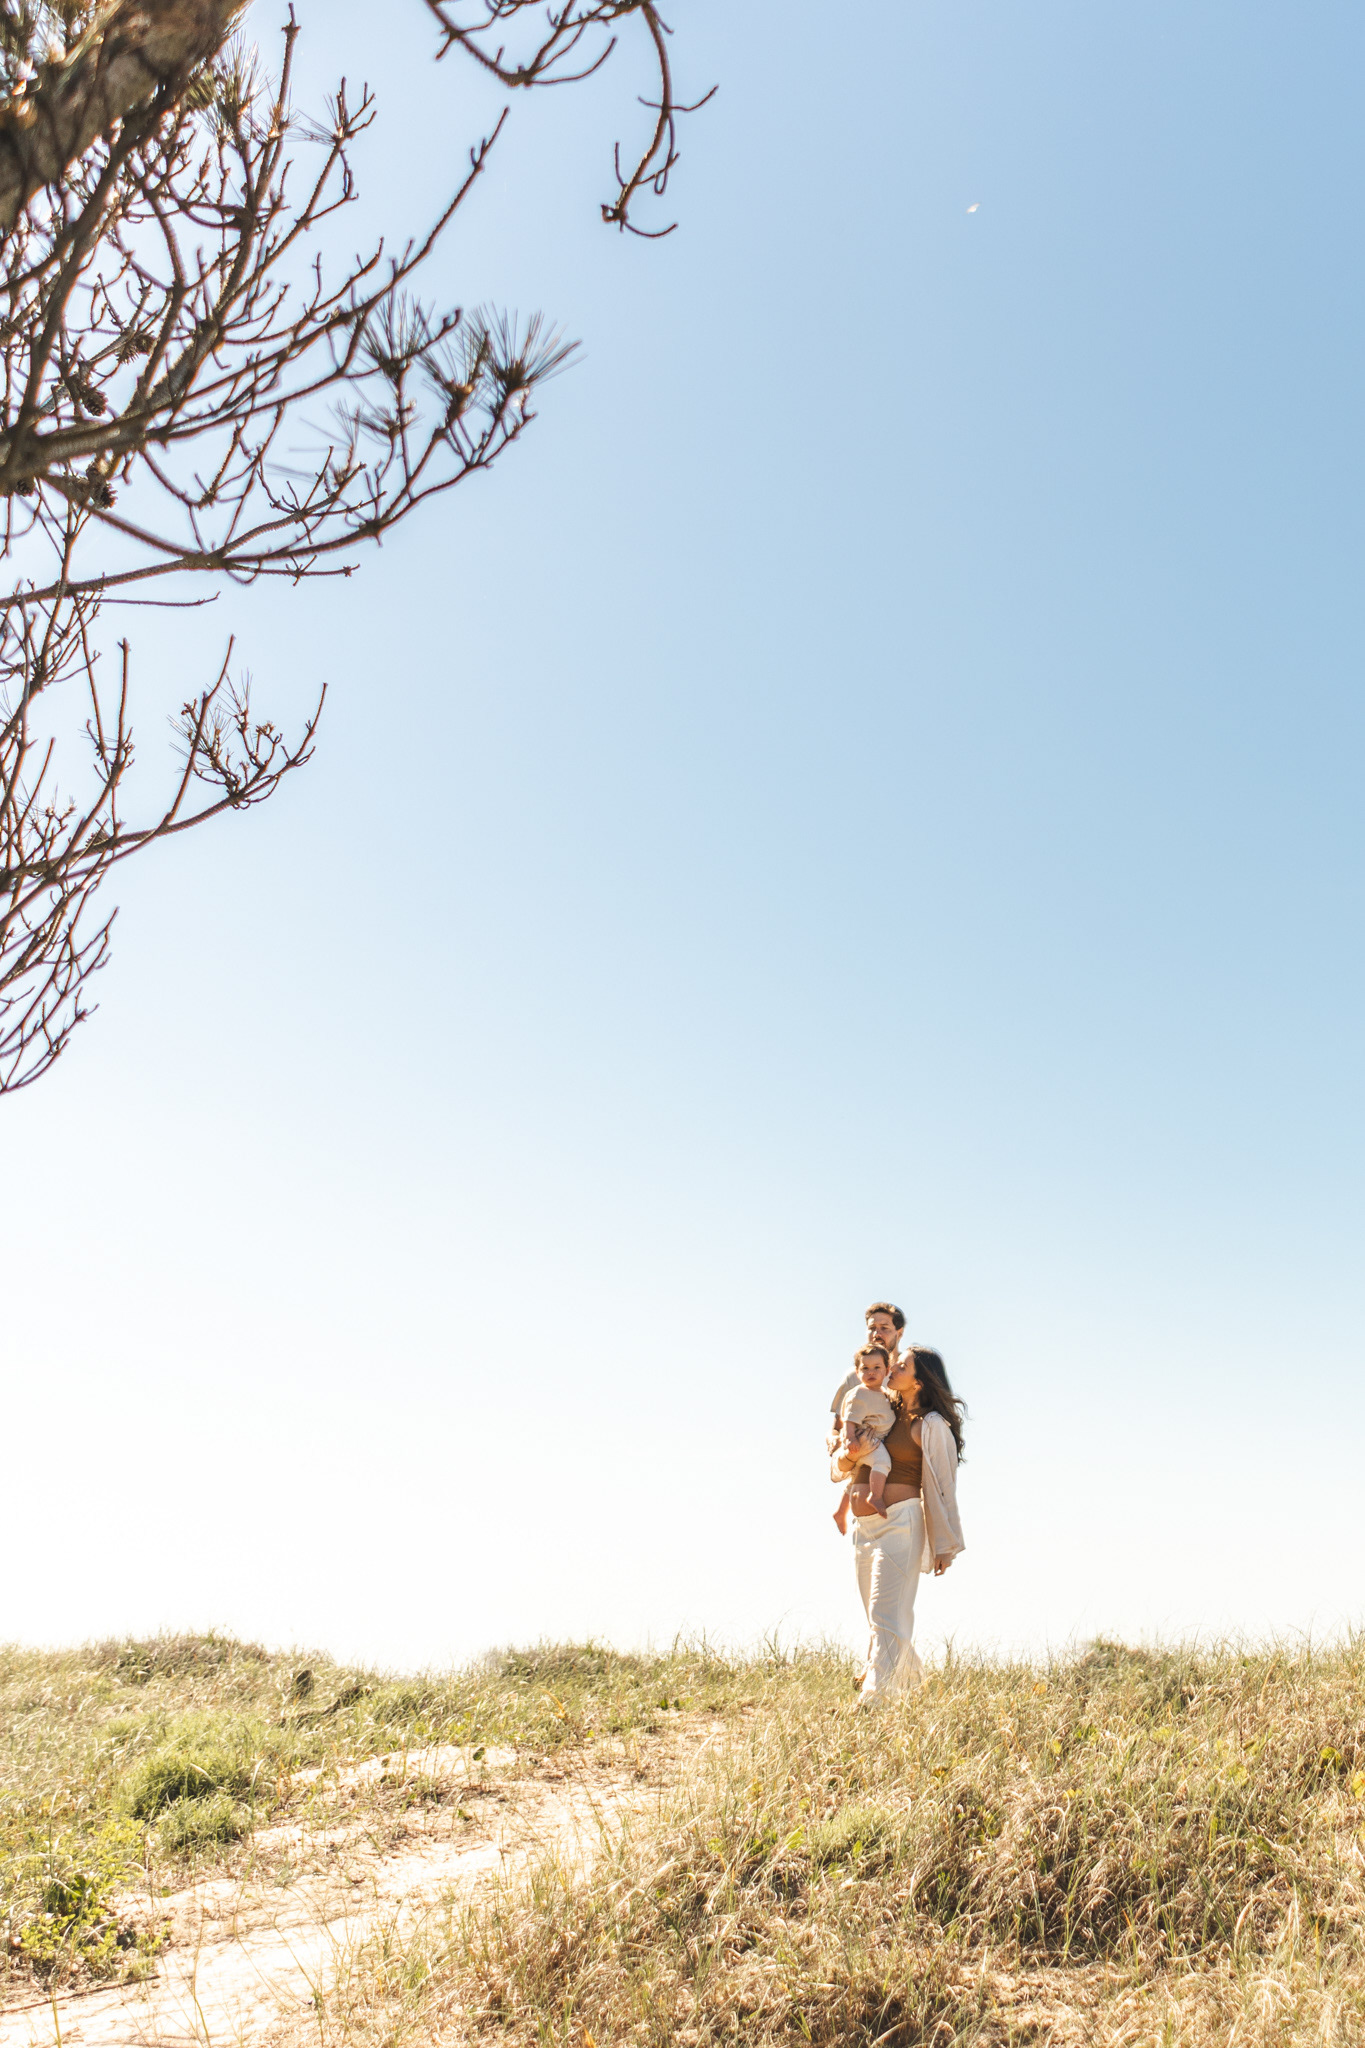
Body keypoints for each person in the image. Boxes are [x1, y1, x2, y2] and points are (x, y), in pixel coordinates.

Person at [848, 1344, 965, 1702]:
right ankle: (913, 1685)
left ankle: (874, 1701)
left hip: (901, 1525)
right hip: (864, 1530)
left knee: (885, 1613)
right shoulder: (882, 1410)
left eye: (902, 1366)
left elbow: (944, 1489)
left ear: (920, 1380)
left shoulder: (931, 1425)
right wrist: (844, 1458)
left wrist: (945, 1544)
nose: (892, 1369)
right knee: (880, 1616)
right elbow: (846, 1458)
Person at [830, 1344, 896, 1534]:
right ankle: (875, 1496)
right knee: (883, 1463)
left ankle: (841, 1511)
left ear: (887, 1371)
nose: (871, 1372)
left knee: (855, 1478)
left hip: (874, 1440)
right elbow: (849, 1419)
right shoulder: (860, 1393)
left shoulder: (884, 1394)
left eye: (877, 1367)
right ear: (857, 1373)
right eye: (865, 1368)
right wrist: (850, 1438)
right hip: (866, 1441)